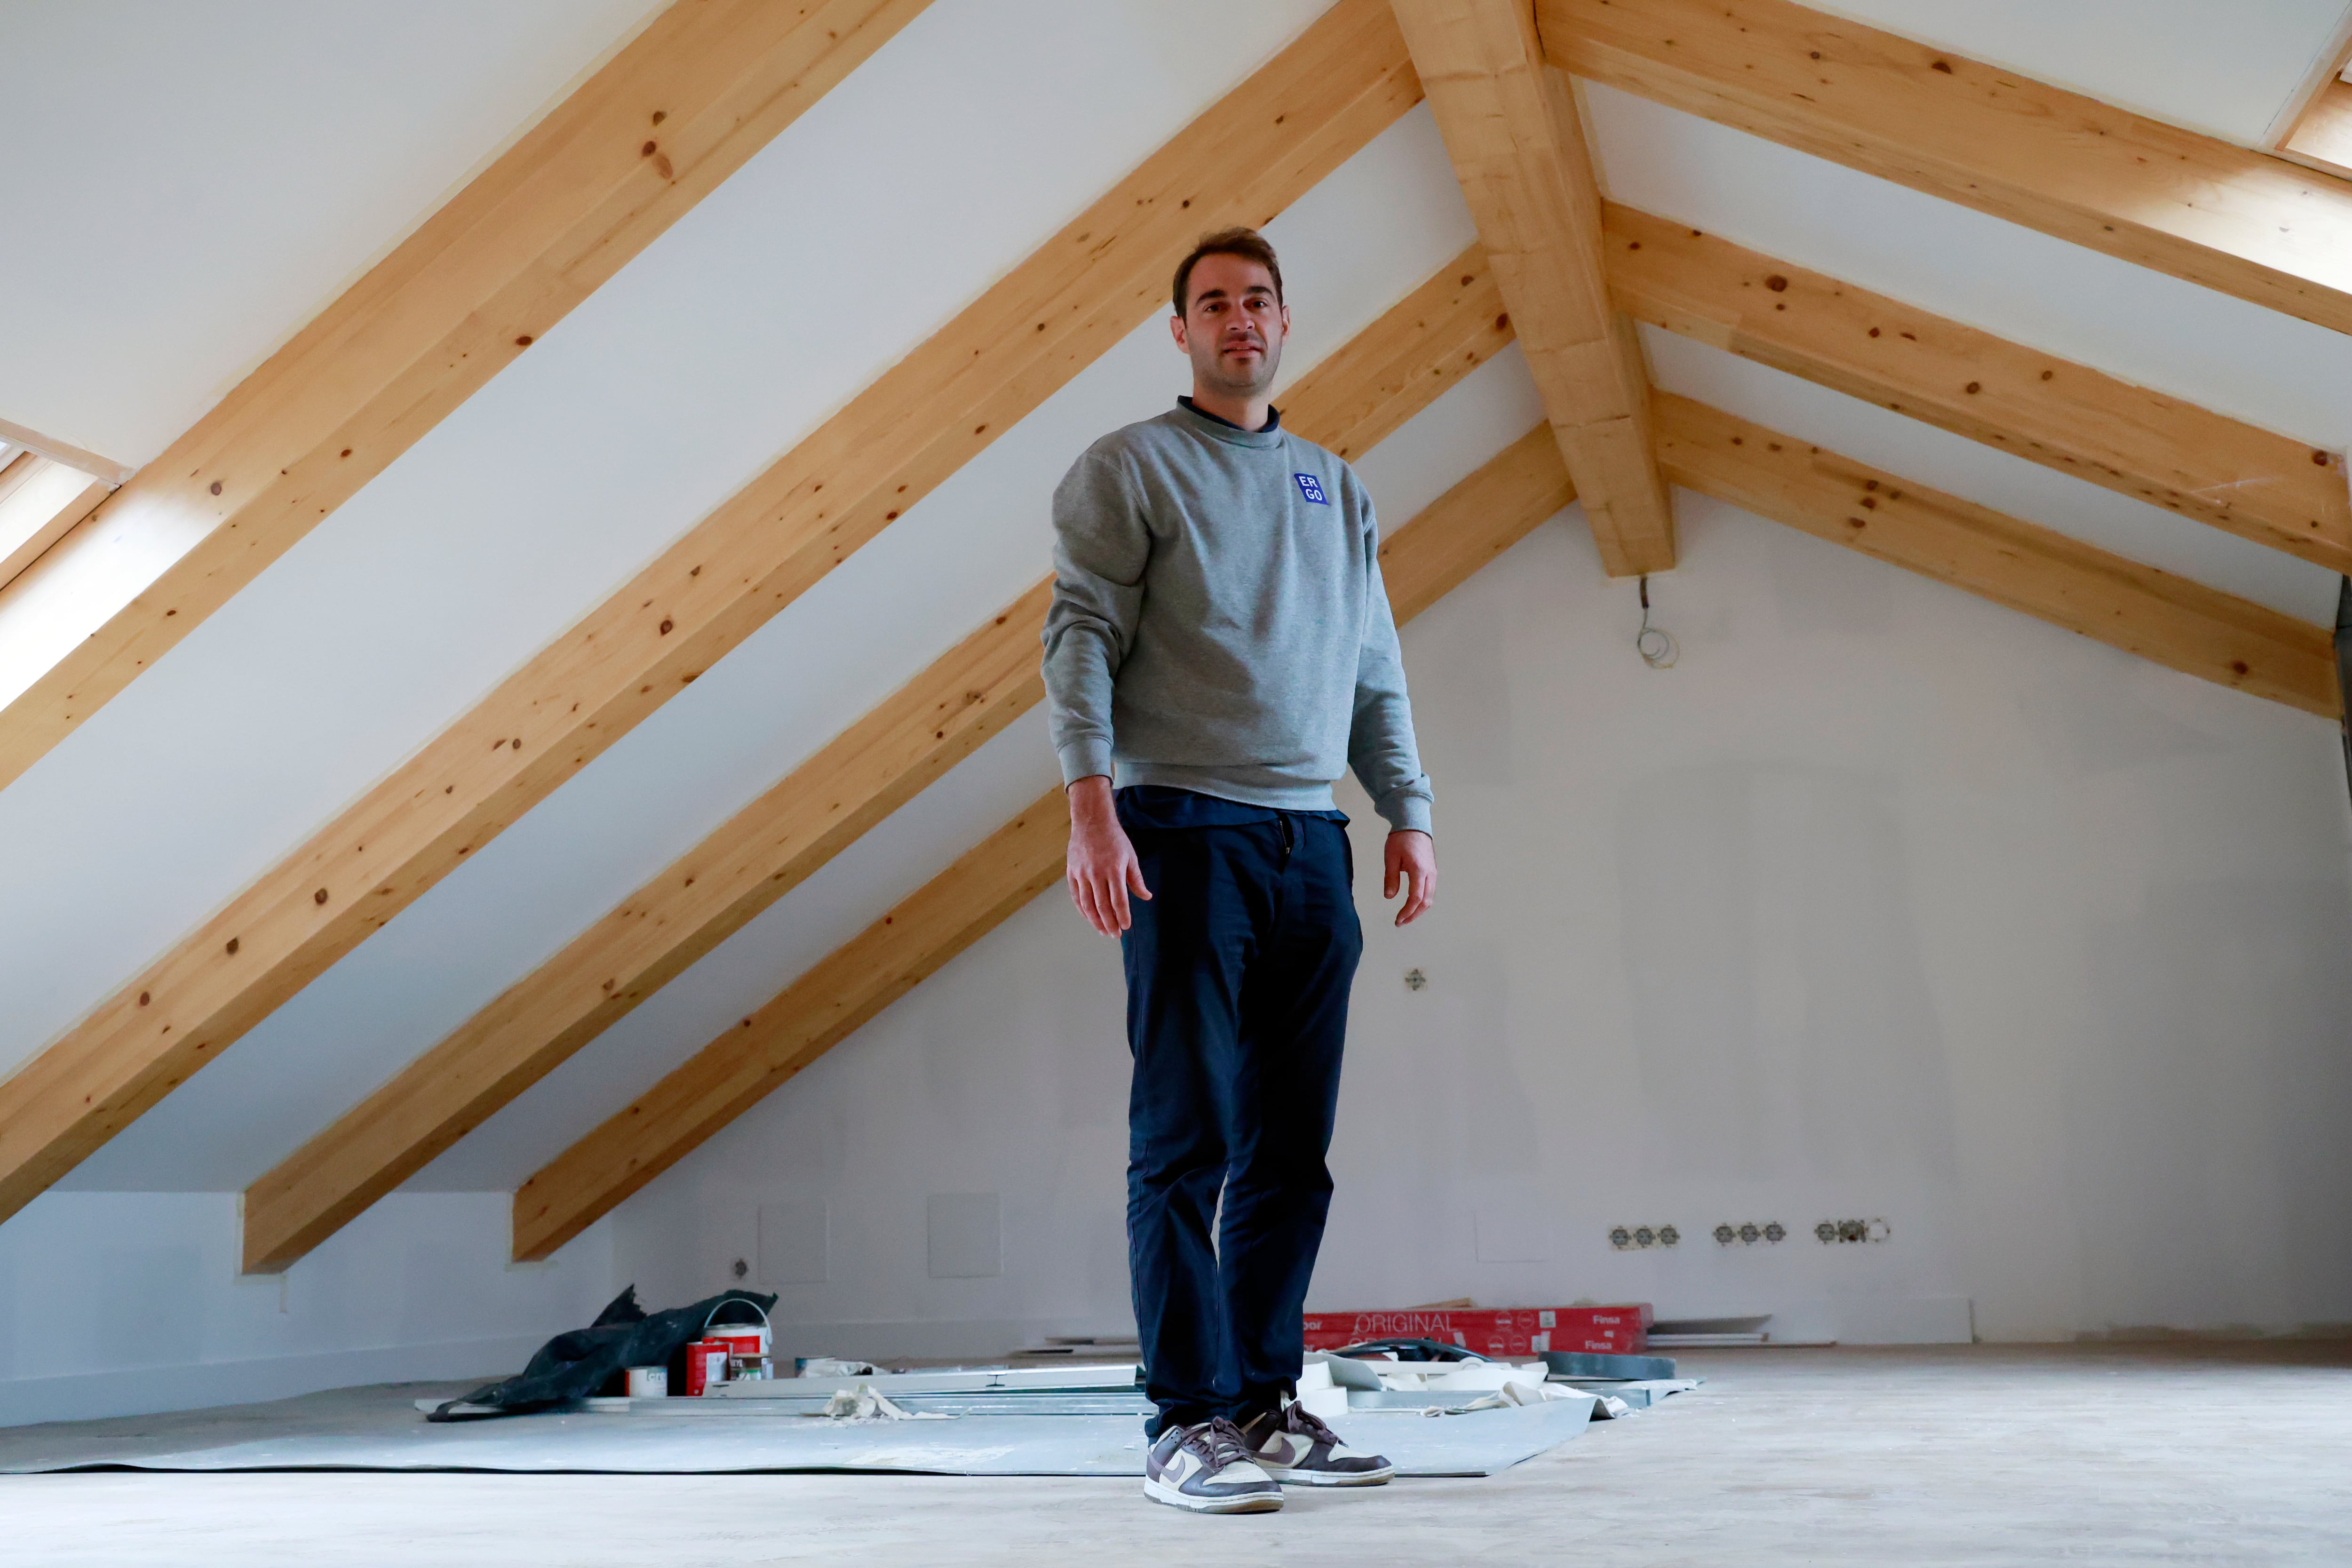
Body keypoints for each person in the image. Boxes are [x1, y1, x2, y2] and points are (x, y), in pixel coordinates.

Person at [1041, 227, 1437, 1513]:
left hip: (1309, 839)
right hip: (1180, 829)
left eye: (1257, 300)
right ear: (1181, 332)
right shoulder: (1130, 468)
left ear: (1284, 321)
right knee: (1186, 1141)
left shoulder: (1338, 485)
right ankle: (1183, 1422)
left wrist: (1406, 809)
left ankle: (1266, 1404)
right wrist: (1090, 807)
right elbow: (1083, 637)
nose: (1239, 320)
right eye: (1212, 303)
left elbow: (1372, 662)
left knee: (1290, 1150)